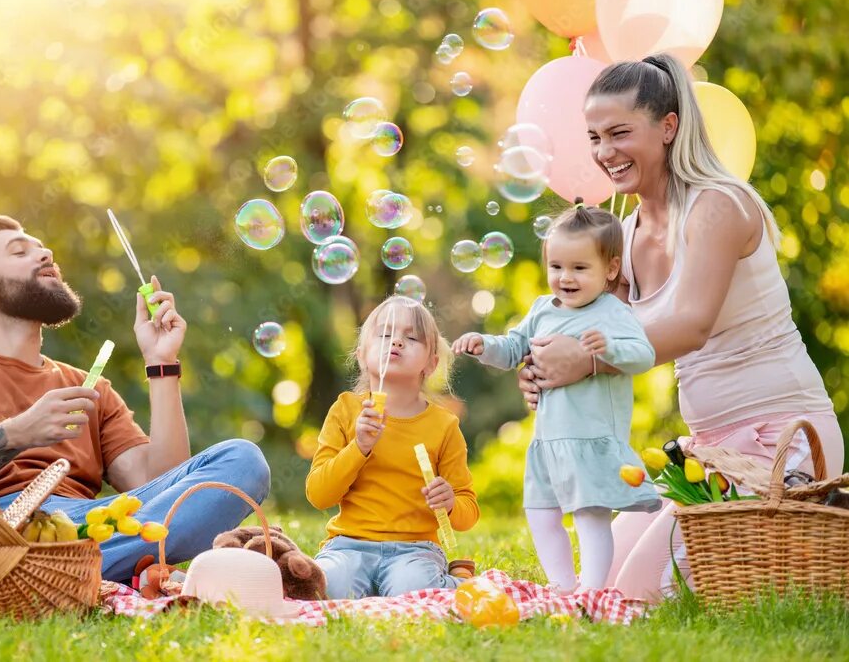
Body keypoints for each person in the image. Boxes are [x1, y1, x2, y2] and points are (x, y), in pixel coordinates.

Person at [517, 53, 844, 600]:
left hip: (780, 444)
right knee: (601, 586)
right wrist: (548, 366)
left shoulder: (718, 206)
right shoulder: (624, 233)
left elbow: (688, 325)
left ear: (668, 126)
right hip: (707, 458)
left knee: (638, 596)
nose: (605, 152)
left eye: (620, 133)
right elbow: (597, 333)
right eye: (595, 137)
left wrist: (585, 358)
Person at [0, 215, 270, 603]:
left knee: (241, 460)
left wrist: (162, 364)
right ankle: (54, 574)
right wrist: (18, 434)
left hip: (74, 528)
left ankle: (23, 571)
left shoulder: (91, 390)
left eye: (43, 249)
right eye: (20, 251)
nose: (45, 254)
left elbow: (165, 491)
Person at [453, 204, 660, 594]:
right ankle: (563, 586)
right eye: (556, 267)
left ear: (610, 270)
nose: (565, 277)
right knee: (541, 514)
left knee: (590, 517)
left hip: (591, 441)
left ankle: (592, 590)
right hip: (547, 444)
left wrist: (609, 349)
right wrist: (484, 346)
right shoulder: (542, 310)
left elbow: (644, 355)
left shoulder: (611, 312)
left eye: (580, 268)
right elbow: (514, 347)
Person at [306, 296, 479, 598]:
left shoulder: (444, 425)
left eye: (411, 337)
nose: (396, 342)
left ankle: (458, 579)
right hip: (349, 544)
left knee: (412, 590)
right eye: (385, 334)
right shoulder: (345, 411)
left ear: (431, 363)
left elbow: (468, 513)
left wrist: (451, 501)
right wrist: (358, 448)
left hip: (414, 551)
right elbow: (319, 495)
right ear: (361, 355)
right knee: (329, 587)